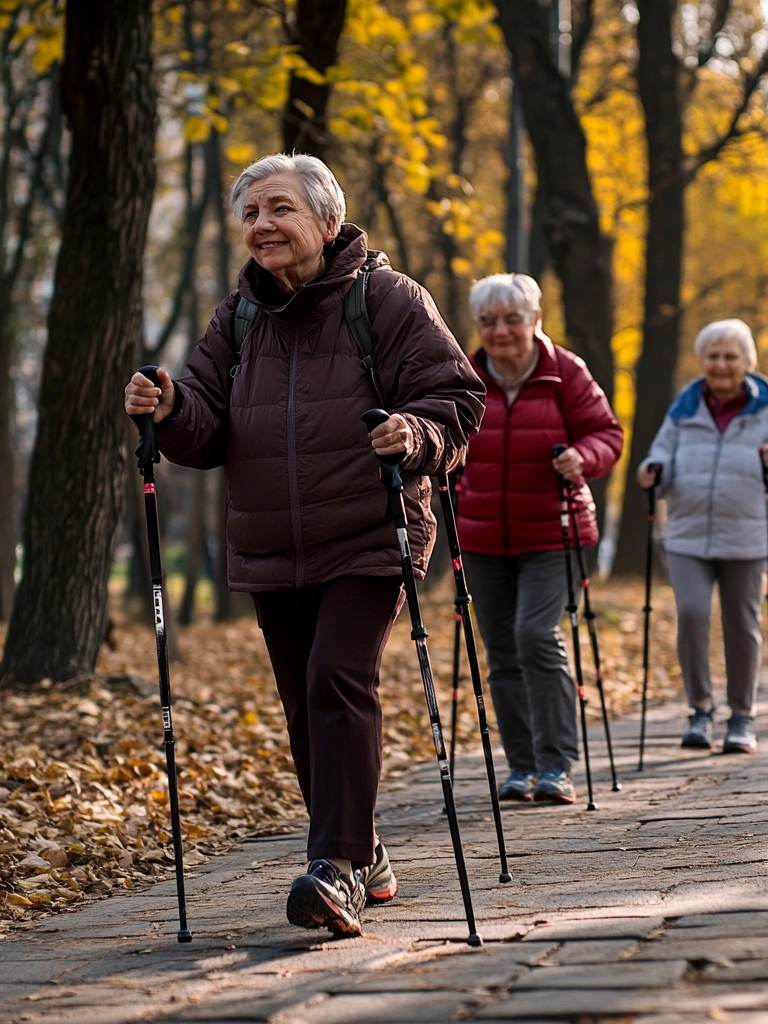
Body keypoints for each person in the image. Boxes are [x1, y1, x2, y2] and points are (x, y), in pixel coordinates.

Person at [124, 153, 485, 938]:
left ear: (326, 220)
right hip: (271, 544)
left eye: (279, 209)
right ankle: (365, 848)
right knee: (302, 707)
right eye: (251, 214)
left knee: (335, 680)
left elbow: (457, 395)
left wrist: (414, 432)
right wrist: (169, 402)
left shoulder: (386, 299)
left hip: (368, 533)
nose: (262, 226)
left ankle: (337, 868)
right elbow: (207, 426)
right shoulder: (238, 317)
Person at [456, 273, 623, 804]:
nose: (500, 331)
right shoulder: (464, 376)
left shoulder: (564, 373)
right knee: (502, 650)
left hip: (555, 530)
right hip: (483, 536)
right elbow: (443, 437)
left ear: (535, 320)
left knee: (534, 634)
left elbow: (608, 434)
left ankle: (557, 765)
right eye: (488, 322)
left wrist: (584, 457)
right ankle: (522, 767)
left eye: (511, 319)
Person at [637, 319, 768, 754]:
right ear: (702, 361)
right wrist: (652, 470)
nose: (721, 365)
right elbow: (661, 453)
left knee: (742, 625)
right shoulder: (684, 408)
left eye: (730, 356)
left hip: (747, 534)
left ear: (747, 363)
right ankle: (699, 710)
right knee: (693, 614)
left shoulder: (766, 409)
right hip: (687, 533)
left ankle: (742, 717)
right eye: (713, 356)